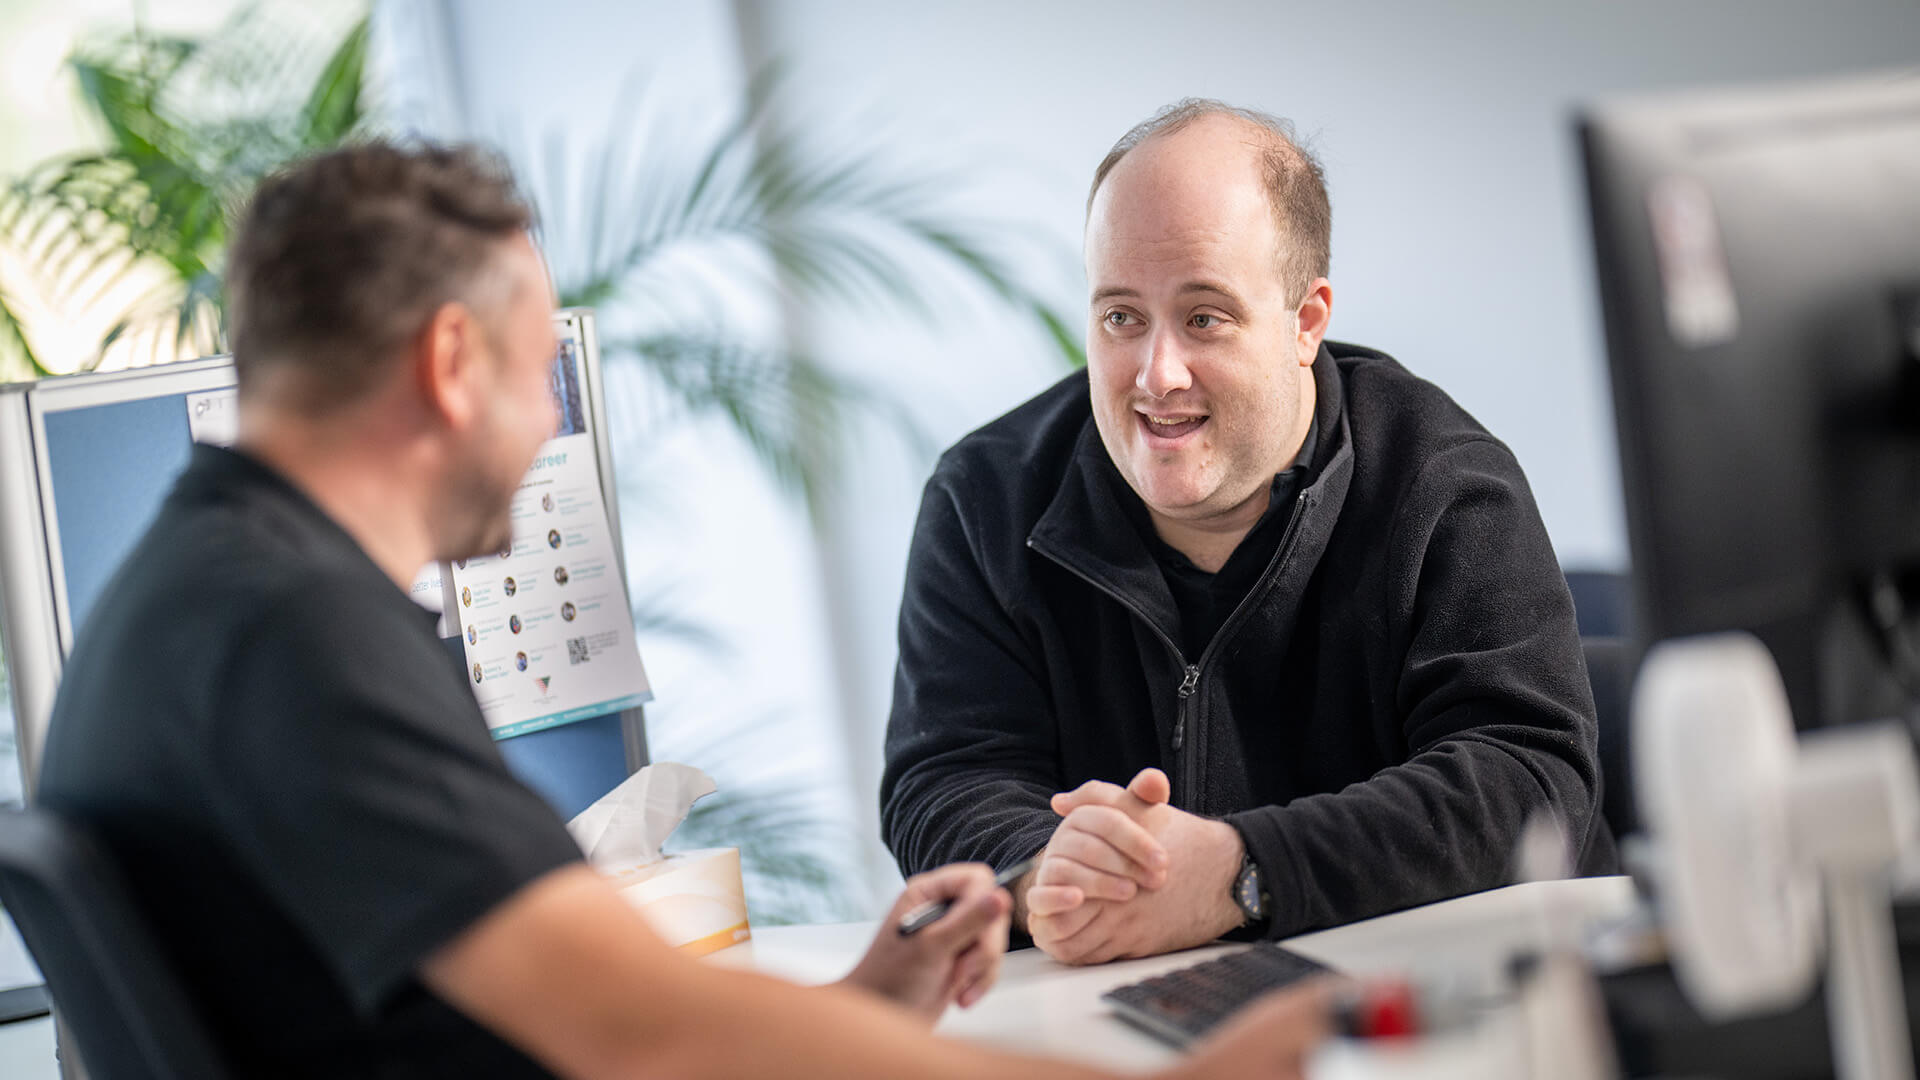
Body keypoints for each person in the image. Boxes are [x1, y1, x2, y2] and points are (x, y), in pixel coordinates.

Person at [35, 141, 1329, 1080]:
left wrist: (862, 1006)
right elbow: (640, 1033)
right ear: (446, 364)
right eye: (540, 366)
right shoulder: (292, 638)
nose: (551, 419)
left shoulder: (196, 593)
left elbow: (604, 1011)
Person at [882, 100, 1614, 967]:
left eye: (1205, 317)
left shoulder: (1446, 484)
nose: (1156, 375)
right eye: (1121, 317)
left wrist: (1243, 872)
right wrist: (1053, 871)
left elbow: (1529, 777)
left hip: (1432, 995)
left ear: (1306, 322)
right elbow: (944, 776)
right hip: (1124, 1002)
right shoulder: (984, 498)